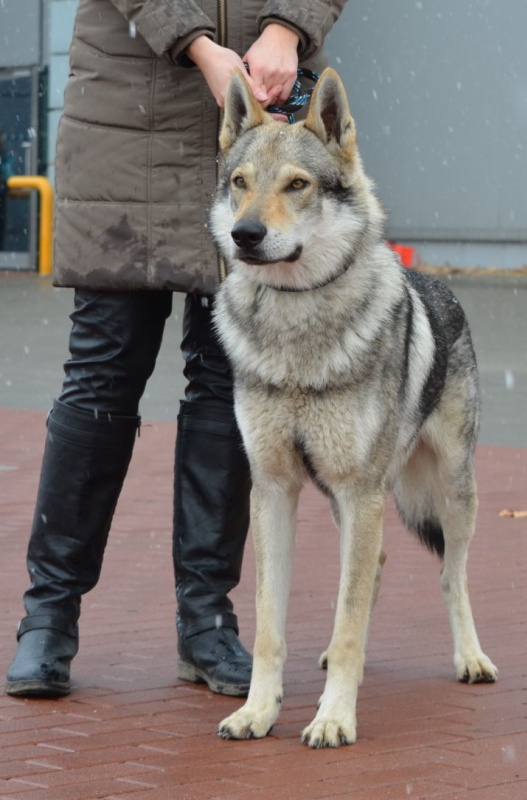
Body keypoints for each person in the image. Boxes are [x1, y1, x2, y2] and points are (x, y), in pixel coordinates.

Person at [5, 0, 347, 699]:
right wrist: (195, 43)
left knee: (227, 378)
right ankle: (49, 615)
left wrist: (285, 28)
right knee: (103, 368)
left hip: (260, 120)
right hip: (129, 107)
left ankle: (206, 620)